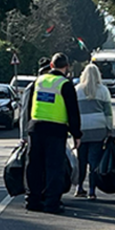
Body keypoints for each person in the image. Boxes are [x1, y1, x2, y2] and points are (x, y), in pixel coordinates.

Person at [21, 53, 82, 214]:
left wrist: (27, 128)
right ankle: (51, 203)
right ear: (66, 67)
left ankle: (32, 200)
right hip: (56, 130)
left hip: (35, 128)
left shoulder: (38, 81)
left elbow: (28, 105)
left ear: (51, 66)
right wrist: (76, 134)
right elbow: (72, 111)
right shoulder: (65, 84)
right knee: (54, 168)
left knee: (34, 166)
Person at [74, 64, 113, 199]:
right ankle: (92, 190)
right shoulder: (103, 90)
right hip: (98, 128)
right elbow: (108, 113)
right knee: (94, 161)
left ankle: (79, 187)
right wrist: (109, 129)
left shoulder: (77, 90)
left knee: (81, 160)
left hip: (82, 128)